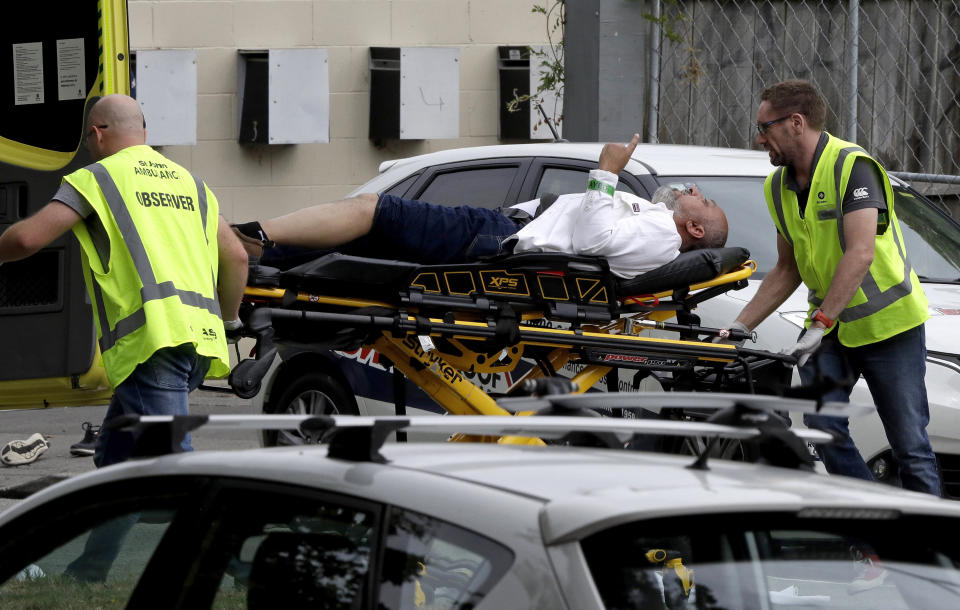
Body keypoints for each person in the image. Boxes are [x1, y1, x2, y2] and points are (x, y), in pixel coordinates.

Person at [0, 94, 248, 467]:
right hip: (199, 345)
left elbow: (26, 239)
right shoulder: (191, 182)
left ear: (97, 134)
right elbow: (237, 256)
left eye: (86, 138)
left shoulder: (97, 178)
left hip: (152, 347)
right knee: (115, 464)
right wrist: (229, 321)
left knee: (174, 468)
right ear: (142, 132)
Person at [719, 80, 939, 495]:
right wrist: (737, 326)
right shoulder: (777, 185)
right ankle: (874, 523)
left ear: (795, 123)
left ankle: (935, 551)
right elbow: (787, 269)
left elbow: (860, 254)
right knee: (822, 425)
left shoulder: (851, 167)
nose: (758, 138)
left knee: (909, 444)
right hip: (831, 327)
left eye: (765, 127)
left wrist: (818, 325)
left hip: (888, 325)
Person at [234, 134, 728, 279]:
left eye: (699, 199)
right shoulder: (655, 220)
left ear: (696, 230)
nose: (690, 190)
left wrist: (606, 171)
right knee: (360, 241)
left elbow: (594, 241)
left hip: (500, 238)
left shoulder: (663, 233)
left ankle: (249, 234)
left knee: (372, 208)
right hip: (505, 230)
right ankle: (255, 257)